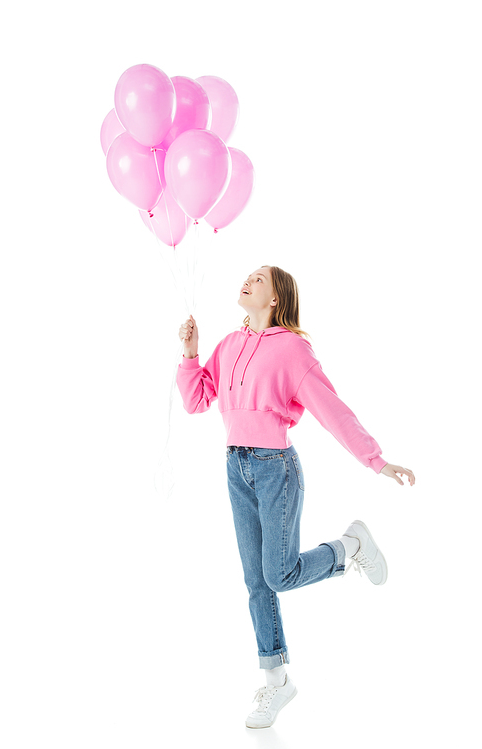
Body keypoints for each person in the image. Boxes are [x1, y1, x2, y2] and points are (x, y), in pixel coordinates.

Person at [176, 265, 415, 729]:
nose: (248, 279)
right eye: (249, 275)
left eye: (260, 279)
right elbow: (197, 400)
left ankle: (350, 547)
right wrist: (190, 354)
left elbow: (331, 409)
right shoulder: (228, 345)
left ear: (275, 299)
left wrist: (376, 460)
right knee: (256, 582)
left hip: (275, 470)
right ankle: (276, 678)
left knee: (279, 574)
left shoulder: (291, 349)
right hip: (235, 467)